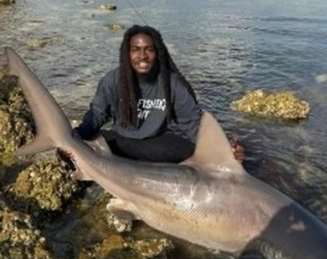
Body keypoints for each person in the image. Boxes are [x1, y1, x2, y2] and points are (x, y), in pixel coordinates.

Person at [71, 25, 244, 164]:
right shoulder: (113, 79)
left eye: (149, 49)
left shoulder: (172, 83)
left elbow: (192, 123)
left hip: (156, 144)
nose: (142, 56)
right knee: (71, 149)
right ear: (127, 53)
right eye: (135, 49)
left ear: (158, 53)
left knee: (198, 154)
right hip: (121, 141)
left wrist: (223, 147)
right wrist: (77, 136)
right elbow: (97, 115)